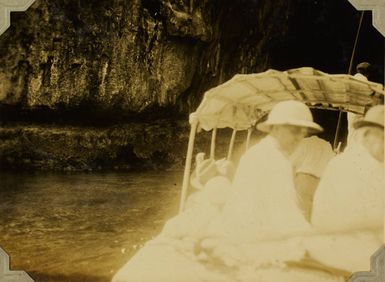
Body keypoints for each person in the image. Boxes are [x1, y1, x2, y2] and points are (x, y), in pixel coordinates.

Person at [204, 100, 324, 244]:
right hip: (251, 236)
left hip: (259, 230)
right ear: (276, 129)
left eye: (303, 133)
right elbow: (284, 213)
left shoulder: (272, 155)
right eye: (294, 131)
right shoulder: (269, 158)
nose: (299, 138)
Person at [312, 104, 384, 233]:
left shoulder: (379, 166)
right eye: (383, 138)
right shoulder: (345, 166)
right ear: (367, 136)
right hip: (343, 243)